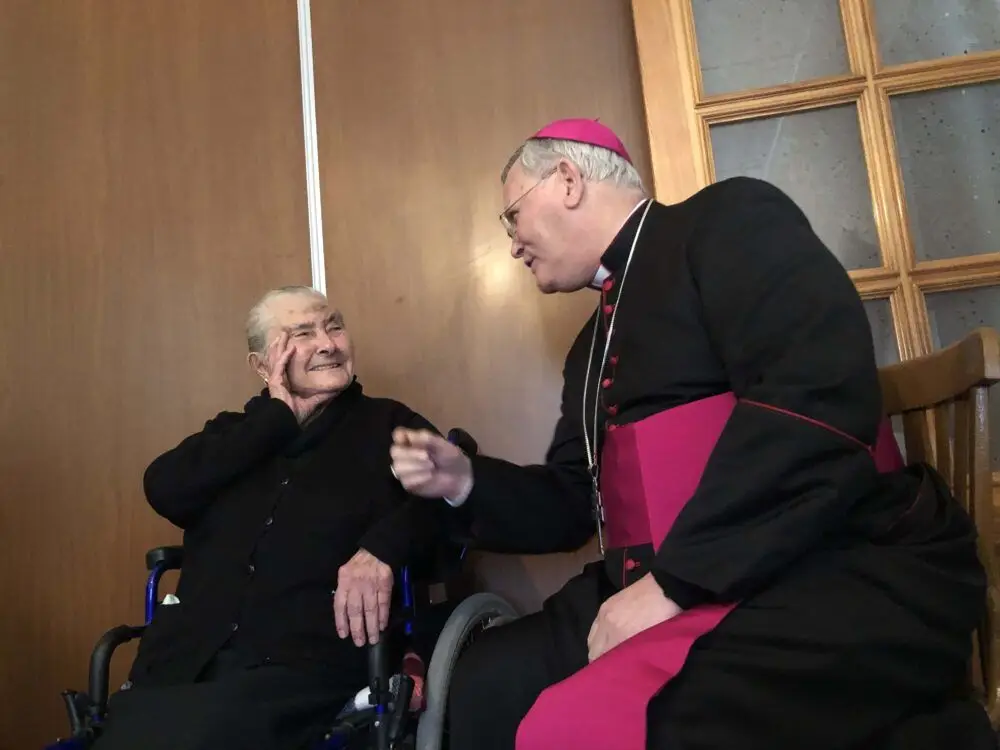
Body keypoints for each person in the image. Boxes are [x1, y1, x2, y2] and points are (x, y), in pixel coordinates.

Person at [389, 120, 996, 749]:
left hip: (816, 562)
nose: (513, 243)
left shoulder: (728, 221)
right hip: (656, 577)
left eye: (513, 215)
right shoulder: (588, 349)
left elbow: (815, 395)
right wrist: (464, 481)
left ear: (567, 181)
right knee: (486, 683)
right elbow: (573, 503)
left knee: (599, 725)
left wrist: (677, 581)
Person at [94, 285, 450, 750]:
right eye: (302, 334)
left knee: (206, 731)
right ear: (263, 365)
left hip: (304, 664)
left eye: (334, 327)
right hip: (184, 664)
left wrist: (382, 549)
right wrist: (277, 418)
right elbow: (163, 488)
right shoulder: (233, 434)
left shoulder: (388, 426)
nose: (327, 344)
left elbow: (450, 500)